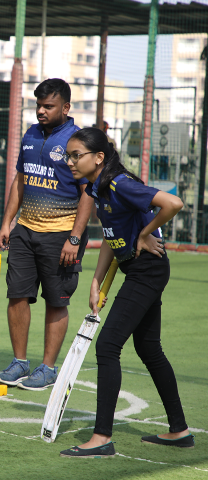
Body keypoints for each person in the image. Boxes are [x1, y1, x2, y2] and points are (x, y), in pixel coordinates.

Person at [59, 127, 192, 457]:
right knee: (148, 348)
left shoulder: (120, 183)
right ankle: (180, 430)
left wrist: (146, 234)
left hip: (148, 269)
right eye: (68, 156)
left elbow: (173, 203)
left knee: (107, 346)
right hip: (138, 269)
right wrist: (97, 282)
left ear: (98, 157)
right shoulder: (98, 187)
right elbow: (110, 235)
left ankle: (101, 437)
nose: (70, 162)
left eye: (76, 156)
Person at [0, 78, 94, 391]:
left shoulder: (77, 141)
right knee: (17, 295)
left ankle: (48, 368)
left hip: (61, 234)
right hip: (25, 230)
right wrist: (7, 222)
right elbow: (20, 180)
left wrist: (74, 238)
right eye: (38, 105)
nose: (41, 111)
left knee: (56, 300)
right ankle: (20, 363)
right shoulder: (30, 134)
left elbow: (88, 192)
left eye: (48, 106)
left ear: (66, 107)